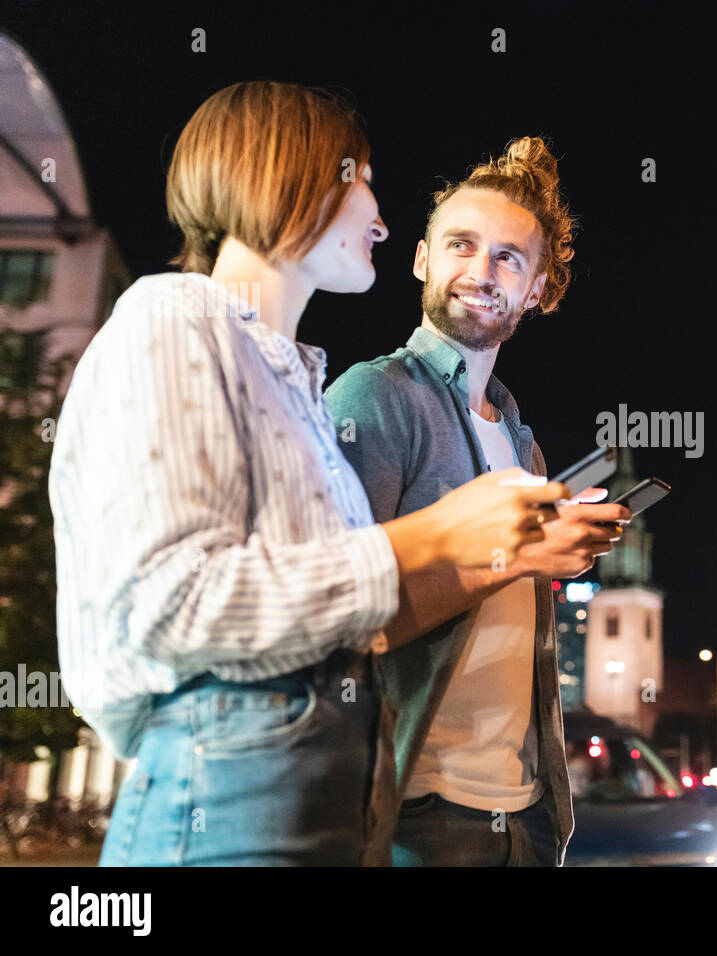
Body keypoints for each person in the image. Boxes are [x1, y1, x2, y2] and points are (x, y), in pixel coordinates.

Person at [48, 82, 566, 866]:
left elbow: (331, 620)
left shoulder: (296, 386)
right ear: (286, 181)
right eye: (360, 183)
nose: (381, 218)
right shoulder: (170, 322)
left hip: (318, 794)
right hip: (223, 792)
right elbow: (171, 601)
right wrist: (434, 541)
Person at [324, 136, 629, 866]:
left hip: (527, 812)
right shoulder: (374, 398)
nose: (480, 271)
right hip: (420, 813)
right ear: (423, 259)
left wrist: (561, 552)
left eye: (508, 258)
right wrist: (509, 555)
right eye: (461, 245)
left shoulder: (525, 448)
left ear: (538, 290)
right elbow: (333, 624)